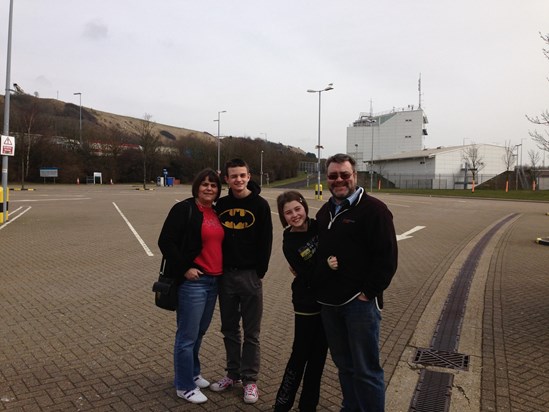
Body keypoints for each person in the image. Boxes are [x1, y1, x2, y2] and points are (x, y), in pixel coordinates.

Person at [315, 153, 398, 412]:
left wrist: (368, 293)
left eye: (344, 175)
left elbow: (387, 259)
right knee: (344, 366)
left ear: (355, 176)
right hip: (330, 304)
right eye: (333, 175)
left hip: (359, 305)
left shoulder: (375, 210)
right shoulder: (324, 211)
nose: (339, 180)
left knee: (366, 369)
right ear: (326, 179)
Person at [157, 168, 224, 405]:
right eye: (204, 184)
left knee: (199, 333)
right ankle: (184, 385)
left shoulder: (215, 212)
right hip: (193, 282)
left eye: (213, 185)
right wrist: (185, 267)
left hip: (213, 281)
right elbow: (165, 241)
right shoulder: (184, 209)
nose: (208, 188)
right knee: (186, 336)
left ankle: (193, 373)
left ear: (218, 191)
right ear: (196, 187)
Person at [210, 158, 273, 404]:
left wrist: (260, 271)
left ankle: (250, 380)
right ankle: (232, 374)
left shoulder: (260, 205)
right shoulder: (221, 204)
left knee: (252, 332)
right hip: (225, 275)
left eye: (242, 175)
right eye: (233, 176)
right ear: (226, 179)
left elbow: (266, 240)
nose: (238, 179)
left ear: (249, 176)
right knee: (229, 329)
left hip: (250, 276)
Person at [273, 191, 335, 412]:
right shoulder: (289, 242)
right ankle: (282, 404)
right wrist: (327, 266)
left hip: (326, 302)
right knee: (300, 354)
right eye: (288, 212)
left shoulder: (319, 226)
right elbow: (308, 276)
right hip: (305, 302)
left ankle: (308, 405)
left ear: (304, 207)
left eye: (297, 209)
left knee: (318, 357)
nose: (294, 215)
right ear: (283, 216)